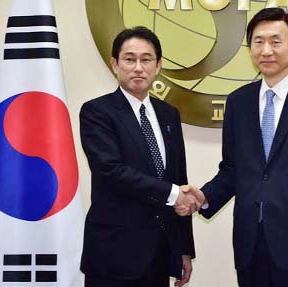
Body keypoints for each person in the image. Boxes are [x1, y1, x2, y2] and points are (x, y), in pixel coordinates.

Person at [178, 7, 288, 287]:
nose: (266, 50)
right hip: (251, 243)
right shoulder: (238, 102)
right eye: (258, 42)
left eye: (275, 41)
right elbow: (233, 169)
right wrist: (203, 197)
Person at [79, 26, 200, 287]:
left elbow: (180, 178)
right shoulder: (96, 112)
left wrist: (183, 249)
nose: (138, 67)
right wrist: (173, 193)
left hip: (159, 254)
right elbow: (111, 171)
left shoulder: (169, 114)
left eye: (146, 59)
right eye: (129, 59)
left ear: (158, 66)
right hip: (113, 255)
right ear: (115, 64)